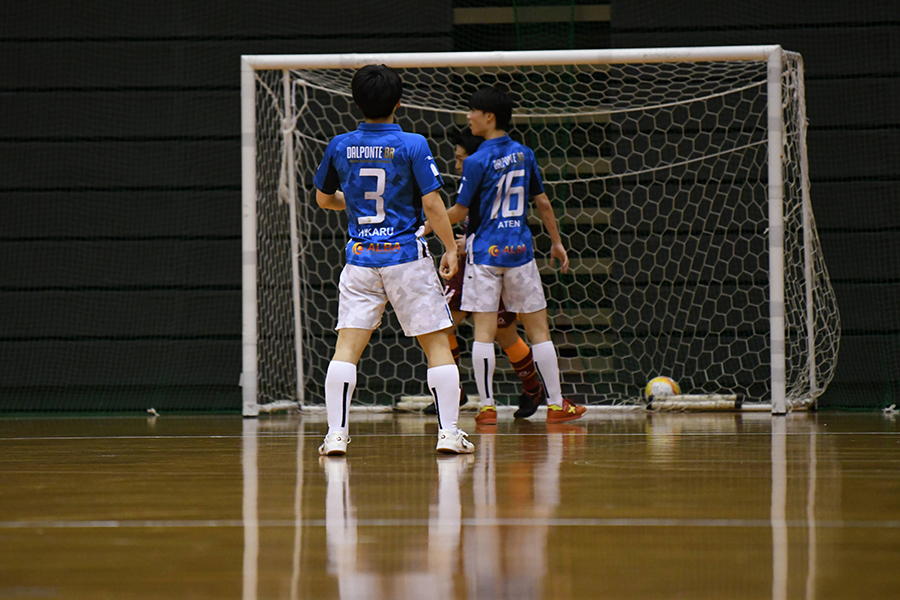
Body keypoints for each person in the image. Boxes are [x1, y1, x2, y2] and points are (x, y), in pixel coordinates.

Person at [313, 64, 474, 456]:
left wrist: (353, 204)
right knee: (437, 345)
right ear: (399, 102)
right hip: (405, 258)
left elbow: (324, 199)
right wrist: (451, 247)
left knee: (346, 349)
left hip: (360, 258)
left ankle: (336, 435)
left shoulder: (339, 145)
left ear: (356, 101)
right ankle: (449, 434)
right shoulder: (413, 144)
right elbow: (432, 204)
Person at [441, 85, 586, 425]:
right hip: (519, 252)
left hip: (484, 255)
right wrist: (556, 242)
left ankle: (487, 408)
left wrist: (428, 223)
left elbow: (460, 212)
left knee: (483, 333)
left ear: (489, 117)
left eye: (473, 111)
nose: (468, 116)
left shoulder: (475, 161)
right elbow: (543, 202)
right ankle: (555, 405)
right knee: (539, 332)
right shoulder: (524, 154)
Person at [424, 127, 546, 420]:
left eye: (460, 159)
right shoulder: (476, 176)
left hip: (491, 261)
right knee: (441, 325)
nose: (457, 165)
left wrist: (435, 229)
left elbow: (482, 218)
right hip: (468, 262)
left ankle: (532, 389)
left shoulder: (489, 173)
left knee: (505, 333)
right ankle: (454, 391)